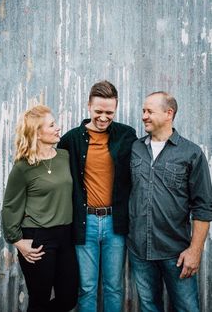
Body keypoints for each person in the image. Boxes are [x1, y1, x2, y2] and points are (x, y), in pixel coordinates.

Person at [127, 91, 212, 312]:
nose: (144, 116)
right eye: (143, 111)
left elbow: (203, 206)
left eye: (149, 111)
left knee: (187, 308)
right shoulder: (135, 149)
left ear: (168, 113)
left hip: (176, 252)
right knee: (148, 306)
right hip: (140, 249)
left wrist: (195, 251)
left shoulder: (191, 153)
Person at [57, 80, 137, 312]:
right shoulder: (71, 140)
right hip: (85, 222)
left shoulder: (126, 135)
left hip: (115, 223)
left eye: (109, 112)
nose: (103, 117)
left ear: (116, 109)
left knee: (113, 287)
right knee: (88, 287)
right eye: (98, 111)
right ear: (88, 106)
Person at [1, 105, 79, 312]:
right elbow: (10, 206)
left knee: (69, 298)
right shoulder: (23, 167)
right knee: (39, 299)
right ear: (37, 132)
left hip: (66, 236)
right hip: (38, 239)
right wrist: (17, 241)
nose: (58, 128)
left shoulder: (65, 156)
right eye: (52, 125)